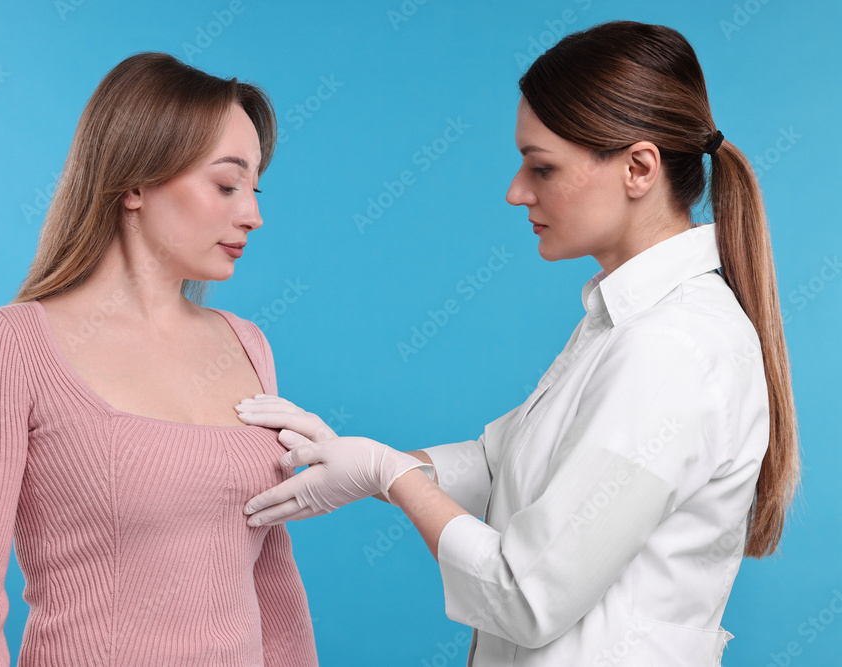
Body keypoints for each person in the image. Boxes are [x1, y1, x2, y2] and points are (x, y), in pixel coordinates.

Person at [234, 20, 799, 666]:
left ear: (639, 168)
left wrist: (387, 475)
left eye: (542, 167)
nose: (516, 191)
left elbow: (526, 594)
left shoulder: (672, 347)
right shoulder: (621, 319)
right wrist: (351, 459)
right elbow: (505, 463)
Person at [0, 52, 318, 666]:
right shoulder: (10, 347)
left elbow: (272, 578)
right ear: (134, 182)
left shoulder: (248, 344)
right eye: (225, 184)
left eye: (255, 187)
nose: (253, 214)